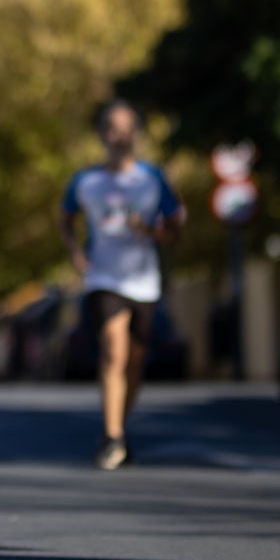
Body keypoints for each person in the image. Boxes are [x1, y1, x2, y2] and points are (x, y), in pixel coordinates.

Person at [59, 100, 185, 470]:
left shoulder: (152, 178)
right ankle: (112, 437)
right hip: (103, 277)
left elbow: (174, 230)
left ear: (137, 135)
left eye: (128, 129)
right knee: (114, 349)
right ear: (102, 135)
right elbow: (65, 219)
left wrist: (148, 230)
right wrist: (75, 252)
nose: (120, 136)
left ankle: (118, 430)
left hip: (144, 279)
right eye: (113, 129)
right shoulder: (86, 181)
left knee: (135, 362)